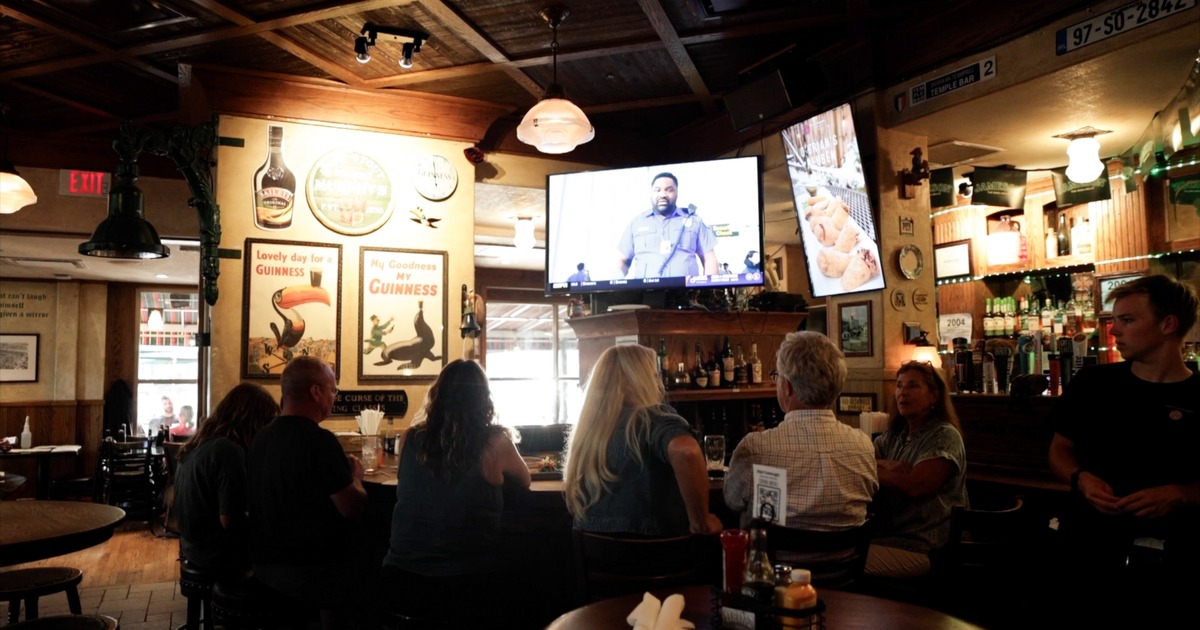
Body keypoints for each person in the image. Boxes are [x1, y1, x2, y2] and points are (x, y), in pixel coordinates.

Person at [1046, 275, 1199, 621]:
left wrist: (1182, 494)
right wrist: (1081, 478)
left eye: (1127, 320)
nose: (1114, 331)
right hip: (1088, 550)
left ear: (1168, 324)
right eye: (1114, 320)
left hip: (1174, 558)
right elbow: (1058, 451)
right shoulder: (1093, 384)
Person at [381, 360, 530, 625]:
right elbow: (525, 480)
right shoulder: (495, 442)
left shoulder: (410, 438)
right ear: (484, 400)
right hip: (465, 586)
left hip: (400, 581)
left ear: (437, 395)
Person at [247, 356, 367, 629]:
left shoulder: (261, 438)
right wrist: (356, 477)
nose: (334, 397)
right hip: (306, 574)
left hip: (263, 567)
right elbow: (351, 506)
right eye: (333, 390)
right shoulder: (319, 441)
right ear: (316, 392)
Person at [724, 331, 878, 533]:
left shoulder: (756, 449)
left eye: (777, 376)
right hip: (848, 562)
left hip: (774, 563)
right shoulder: (863, 444)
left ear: (787, 387)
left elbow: (732, 502)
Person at [564, 343, 721, 536]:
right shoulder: (652, 419)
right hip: (656, 557)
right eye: (655, 376)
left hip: (597, 558)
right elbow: (686, 450)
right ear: (640, 381)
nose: (659, 383)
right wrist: (701, 521)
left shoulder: (588, 430)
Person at [866, 360, 968, 579]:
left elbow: (916, 485)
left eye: (913, 386)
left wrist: (872, 470)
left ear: (934, 396)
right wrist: (885, 464)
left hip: (926, 547)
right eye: (899, 385)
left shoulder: (944, 436)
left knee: (845, 562)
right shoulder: (895, 436)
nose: (903, 393)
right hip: (888, 538)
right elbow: (861, 458)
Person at [174, 384, 278, 578]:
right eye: (267, 422)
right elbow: (230, 520)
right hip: (218, 556)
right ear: (253, 421)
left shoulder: (197, 445)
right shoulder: (227, 450)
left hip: (192, 548)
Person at [616, 172, 719, 279]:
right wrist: (614, 285)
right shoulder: (636, 223)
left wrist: (708, 290)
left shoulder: (694, 221)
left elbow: (709, 258)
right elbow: (622, 261)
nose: (663, 195)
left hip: (687, 292)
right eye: (657, 190)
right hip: (646, 293)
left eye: (669, 190)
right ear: (651, 193)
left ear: (677, 193)